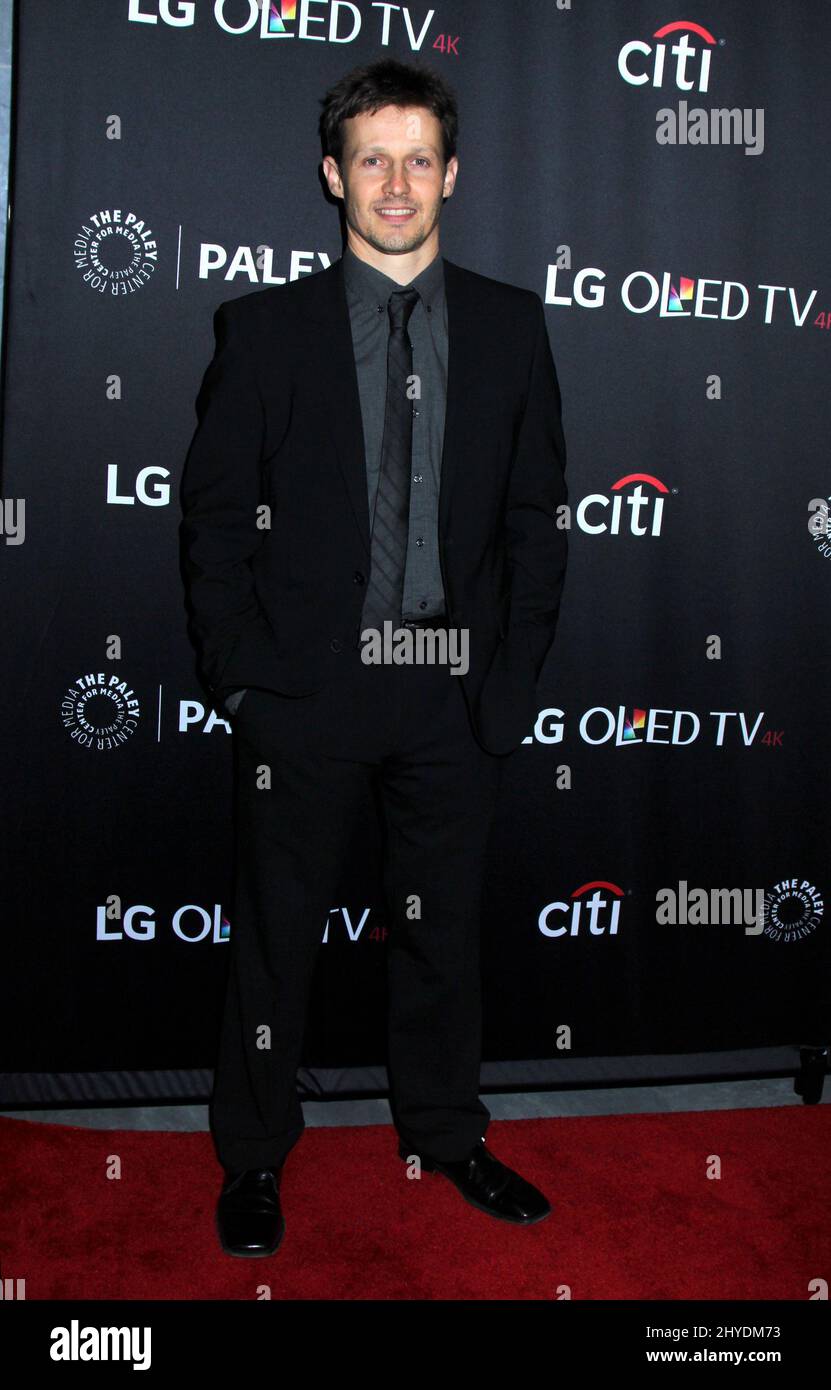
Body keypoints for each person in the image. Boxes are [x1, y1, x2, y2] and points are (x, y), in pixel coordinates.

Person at [179, 57, 568, 1258]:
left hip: (452, 692)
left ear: (450, 173)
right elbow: (208, 519)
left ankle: (447, 1133)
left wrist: (503, 688)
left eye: (416, 158)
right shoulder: (263, 330)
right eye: (370, 159)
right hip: (307, 692)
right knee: (275, 936)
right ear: (331, 175)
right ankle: (252, 1158)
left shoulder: (510, 325)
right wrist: (246, 681)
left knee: (444, 932)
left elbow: (537, 521)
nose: (394, 183)